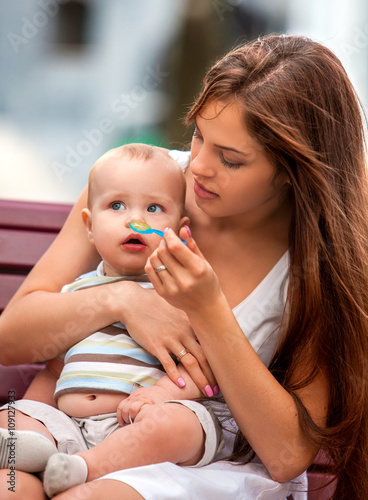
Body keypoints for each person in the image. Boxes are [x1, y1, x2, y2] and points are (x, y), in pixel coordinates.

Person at [1, 33, 368, 500]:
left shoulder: (317, 264)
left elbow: (285, 454)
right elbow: (12, 340)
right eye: (198, 134)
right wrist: (124, 298)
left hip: (200, 462)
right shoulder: (143, 186)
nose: (197, 165)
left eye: (230, 160)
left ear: (293, 172)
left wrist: (208, 307)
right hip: (68, 427)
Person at [0, 143, 224, 497]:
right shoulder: (77, 293)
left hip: (133, 427)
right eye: (116, 205)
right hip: (68, 426)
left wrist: (158, 395)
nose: (135, 220)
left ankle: (84, 466)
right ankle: (36, 449)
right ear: (89, 225)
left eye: (154, 208)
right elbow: (56, 369)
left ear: (180, 228)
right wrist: (33, 414)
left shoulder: (181, 291)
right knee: (13, 418)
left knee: (180, 424)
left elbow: (201, 365)